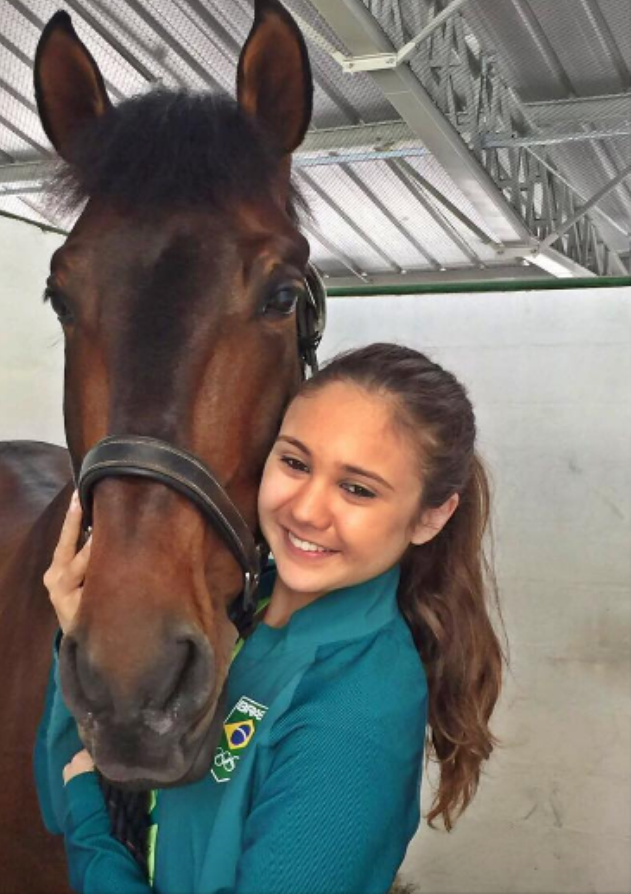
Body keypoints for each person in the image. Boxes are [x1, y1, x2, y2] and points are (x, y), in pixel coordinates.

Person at [35, 342, 506, 894]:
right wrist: (79, 637)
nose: (305, 510)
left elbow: (76, 801)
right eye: (295, 462)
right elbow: (58, 790)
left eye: (357, 489)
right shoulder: (238, 614)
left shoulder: (358, 707)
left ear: (430, 516)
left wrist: (93, 837)